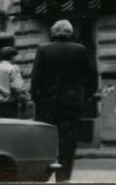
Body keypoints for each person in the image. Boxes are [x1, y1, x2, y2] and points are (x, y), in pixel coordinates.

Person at [30, 20, 91, 181]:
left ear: (53, 32)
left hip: (47, 104)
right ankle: (63, 179)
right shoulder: (80, 50)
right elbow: (91, 79)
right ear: (70, 33)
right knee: (68, 145)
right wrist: (84, 98)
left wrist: (37, 98)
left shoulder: (43, 49)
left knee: (46, 143)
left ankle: (42, 178)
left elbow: (35, 78)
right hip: (71, 104)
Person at [0, 46, 28, 118]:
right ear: (12, 57)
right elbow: (18, 87)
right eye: (15, 56)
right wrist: (24, 102)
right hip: (10, 105)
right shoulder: (13, 68)